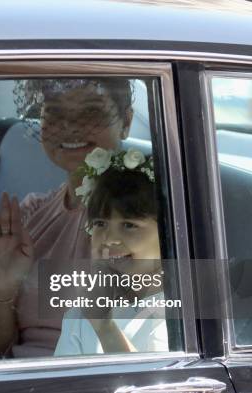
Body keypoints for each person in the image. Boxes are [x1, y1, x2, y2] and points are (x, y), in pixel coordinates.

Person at [0, 78, 135, 360]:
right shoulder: (29, 215)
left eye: (90, 112)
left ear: (126, 121)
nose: (71, 127)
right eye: (55, 112)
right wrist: (2, 290)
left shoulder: (147, 222)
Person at [54, 147, 168, 355]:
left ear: (167, 231)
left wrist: (105, 328)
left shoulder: (183, 317)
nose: (110, 239)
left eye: (129, 225)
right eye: (100, 224)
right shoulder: (82, 314)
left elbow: (156, 385)